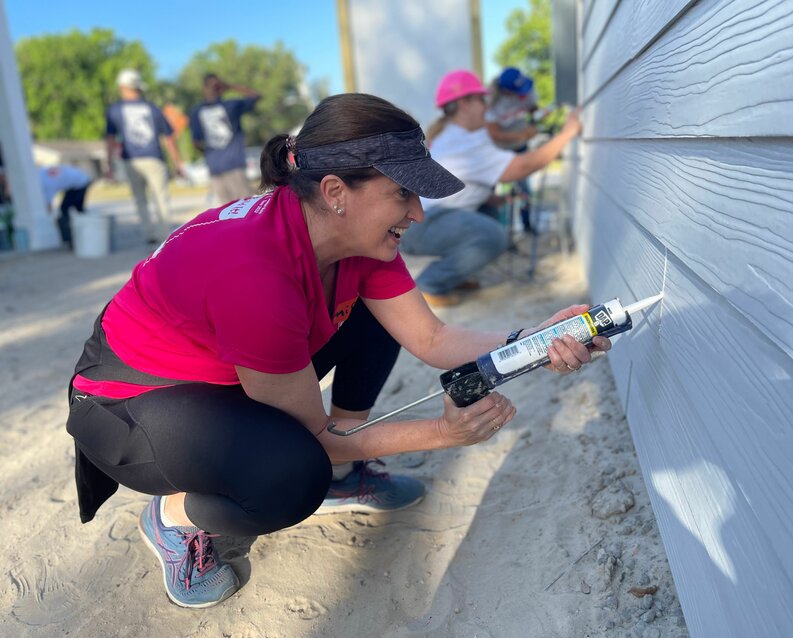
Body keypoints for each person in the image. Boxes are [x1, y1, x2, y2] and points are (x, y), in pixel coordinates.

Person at [65, 92, 611, 609]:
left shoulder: (358, 240)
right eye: (403, 192)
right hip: (129, 398)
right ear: (334, 192)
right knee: (293, 474)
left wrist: (534, 339)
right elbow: (313, 440)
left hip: (219, 371)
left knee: (375, 326)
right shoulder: (255, 272)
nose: (417, 214)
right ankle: (176, 517)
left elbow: (432, 339)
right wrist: (443, 433)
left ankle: (346, 478)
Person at [400, 70, 582, 307]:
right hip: (422, 226)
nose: (486, 106)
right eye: (481, 100)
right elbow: (525, 165)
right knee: (494, 236)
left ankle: (456, 276)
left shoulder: (456, 134)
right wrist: (567, 133)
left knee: (491, 214)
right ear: (464, 103)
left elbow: (464, 183)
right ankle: (430, 284)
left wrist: (487, 197)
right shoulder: (465, 141)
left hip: (423, 222)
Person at [105, 69, 185, 244]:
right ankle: (165, 235)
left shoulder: (115, 110)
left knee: (140, 199)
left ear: (122, 87)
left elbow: (110, 139)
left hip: (131, 160)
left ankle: (150, 234)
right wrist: (177, 163)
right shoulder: (152, 108)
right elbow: (168, 137)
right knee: (161, 197)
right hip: (153, 157)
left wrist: (109, 164)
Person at [190, 73, 262, 205]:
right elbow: (256, 95)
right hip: (232, 165)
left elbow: (196, 143)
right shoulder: (231, 105)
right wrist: (230, 87)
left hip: (217, 167)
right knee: (247, 209)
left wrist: (210, 154)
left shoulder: (198, 111)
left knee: (230, 213)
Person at [486, 67, 540, 234]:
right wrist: (523, 134)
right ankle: (493, 228)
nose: (521, 95)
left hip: (520, 146)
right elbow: (494, 134)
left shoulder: (528, 89)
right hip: (498, 148)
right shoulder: (491, 101)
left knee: (524, 187)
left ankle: (527, 225)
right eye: (516, 92)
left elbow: (533, 109)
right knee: (489, 188)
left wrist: (534, 122)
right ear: (506, 91)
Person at [38, 164, 93, 247]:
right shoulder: (40, 173)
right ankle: (79, 232)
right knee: (68, 209)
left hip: (81, 183)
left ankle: (79, 234)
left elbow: (49, 198)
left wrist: (48, 210)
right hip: (75, 181)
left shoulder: (47, 182)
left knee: (69, 209)